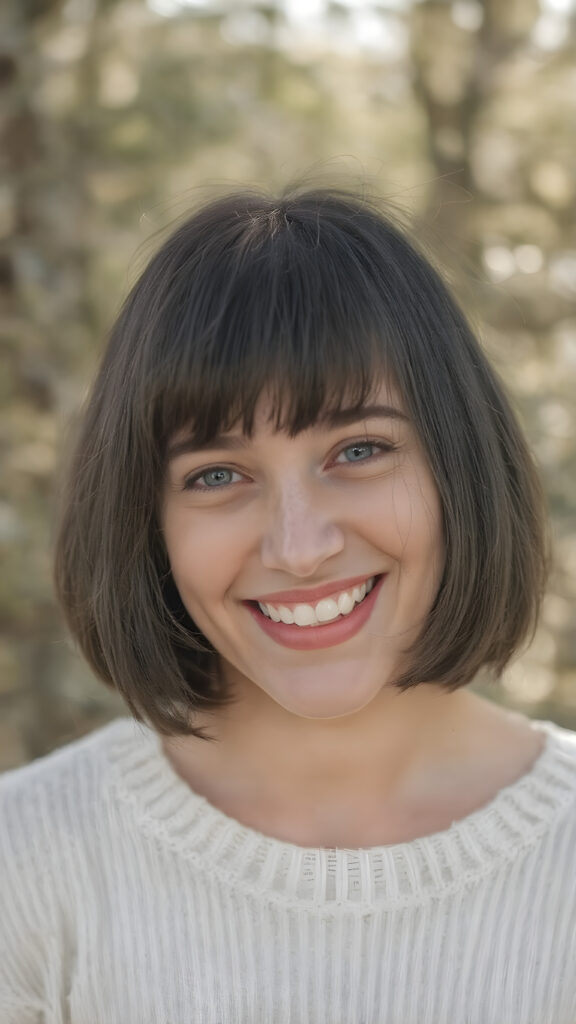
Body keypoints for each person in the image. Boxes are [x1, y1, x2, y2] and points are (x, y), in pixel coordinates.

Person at [1, 183, 575, 1024]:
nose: (299, 547)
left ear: (460, 463)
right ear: (145, 518)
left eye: (360, 449)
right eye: (217, 476)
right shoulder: (25, 866)